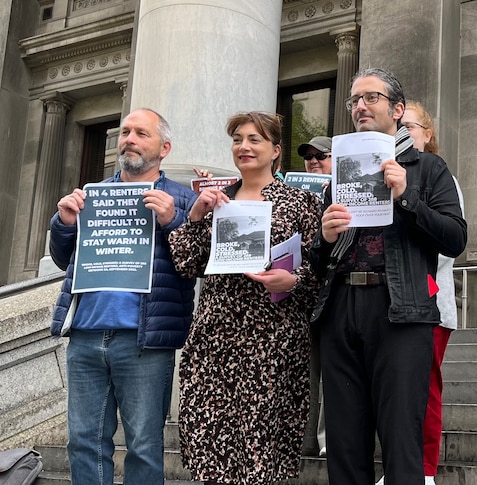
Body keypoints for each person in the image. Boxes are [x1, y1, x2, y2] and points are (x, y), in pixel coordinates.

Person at [310, 68, 467, 485]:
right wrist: (324, 240)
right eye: (354, 100)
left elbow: (455, 238)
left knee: (401, 442)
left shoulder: (429, 168)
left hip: (401, 311)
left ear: (397, 110)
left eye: (371, 97)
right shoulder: (337, 177)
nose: (360, 106)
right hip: (341, 309)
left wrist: (407, 196)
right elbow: (316, 261)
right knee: (344, 443)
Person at [168, 111, 322, 484]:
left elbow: (323, 268)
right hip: (216, 338)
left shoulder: (300, 202)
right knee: (212, 442)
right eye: (238, 139)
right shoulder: (217, 201)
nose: (244, 146)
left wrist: (294, 280)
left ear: (275, 151)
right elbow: (186, 263)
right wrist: (194, 215)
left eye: (255, 139)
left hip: (274, 341)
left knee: (262, 448)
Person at [49, 108, 197, 485]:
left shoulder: (183, 201)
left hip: (143, 340)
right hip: (85, 333)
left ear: (164, 148)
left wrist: (175, 222)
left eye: (140, 133)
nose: (128, 138)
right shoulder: (92, 196)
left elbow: (194, 264)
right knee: (83, 441)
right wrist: (64, 223)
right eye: (125, 132)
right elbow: (65, 259)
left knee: (144, 445)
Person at [375, 101, 464, 485]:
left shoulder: (437, 174)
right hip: (388, 303)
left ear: (427, 135)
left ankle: (425, 468)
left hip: (427, 299)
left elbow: (448, 240)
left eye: (409, 125)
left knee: (424, 388)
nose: (402, 132)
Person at [295, 134, 333, 458]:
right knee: (305, 372)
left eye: (321, 156)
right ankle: (302, 438)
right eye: (309, 157)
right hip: (299, 295)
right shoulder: (295, 196)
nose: (314, 162)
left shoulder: (345, 193)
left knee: (330, 371)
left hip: (333, 293)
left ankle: (326, 439)